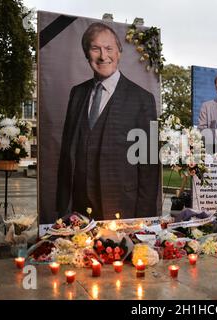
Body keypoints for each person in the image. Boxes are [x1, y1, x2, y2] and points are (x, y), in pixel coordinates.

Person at [56, 22, 160, 220]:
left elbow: (149, 165)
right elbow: (66, 155)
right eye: (96, 48)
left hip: (123, 207)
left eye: (109, 48)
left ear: (119, 52)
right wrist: (63, 209)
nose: (103, 56)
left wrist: (145, 220)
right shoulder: (77, 93)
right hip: (78, 211)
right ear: (87, 54)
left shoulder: (143, 99)